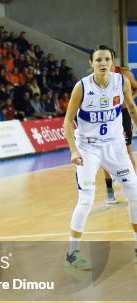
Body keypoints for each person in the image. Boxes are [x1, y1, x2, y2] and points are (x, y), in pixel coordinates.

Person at [64, 45, 137, 270]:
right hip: (89, 149)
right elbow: (68, 121)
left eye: (107, 59)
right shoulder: (82, 87)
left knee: (135, 194)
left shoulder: (121, 81)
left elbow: (132, 108)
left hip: (115, 148)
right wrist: (74, 150)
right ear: (91, 64)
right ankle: (72, 253)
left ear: (112, 62)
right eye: (98, 60)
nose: (103, 63)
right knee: (86, 200)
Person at [102, 63, 137, 203]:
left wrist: (128, 101)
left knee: (128, 151)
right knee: (104, 153)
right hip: (106, 117)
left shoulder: (125, 75)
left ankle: (133, 185)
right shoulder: (95, 79)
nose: (104, 63)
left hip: (122, 114)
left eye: (107, 59)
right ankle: (110, 190)